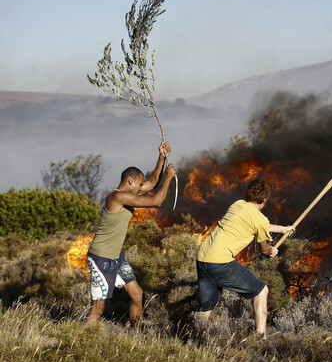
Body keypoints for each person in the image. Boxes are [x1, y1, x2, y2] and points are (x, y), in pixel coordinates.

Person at [85, 141, 177, 329]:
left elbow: (152, 183)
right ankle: (78, 341)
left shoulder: (130, 191)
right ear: (130, 181)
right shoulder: (118, 197)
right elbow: (157, 201)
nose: (141, 188)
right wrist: (168, 177)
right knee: (98, 308)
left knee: (137, 295)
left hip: (116, 257)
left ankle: (135, 336)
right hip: (100, 257)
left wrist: (161, 157)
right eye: (139, 185)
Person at [196, 179, 294, 339]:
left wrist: (283, 229)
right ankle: (260, 339)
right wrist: (272, 251)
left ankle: (195, 341)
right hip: (220, 262)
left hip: (203, 257)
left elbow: (257, 224)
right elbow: (264, 249)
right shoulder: (259, 219)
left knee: (207, 307)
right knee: (261, 290)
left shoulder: (238, 205)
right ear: (265, 200)